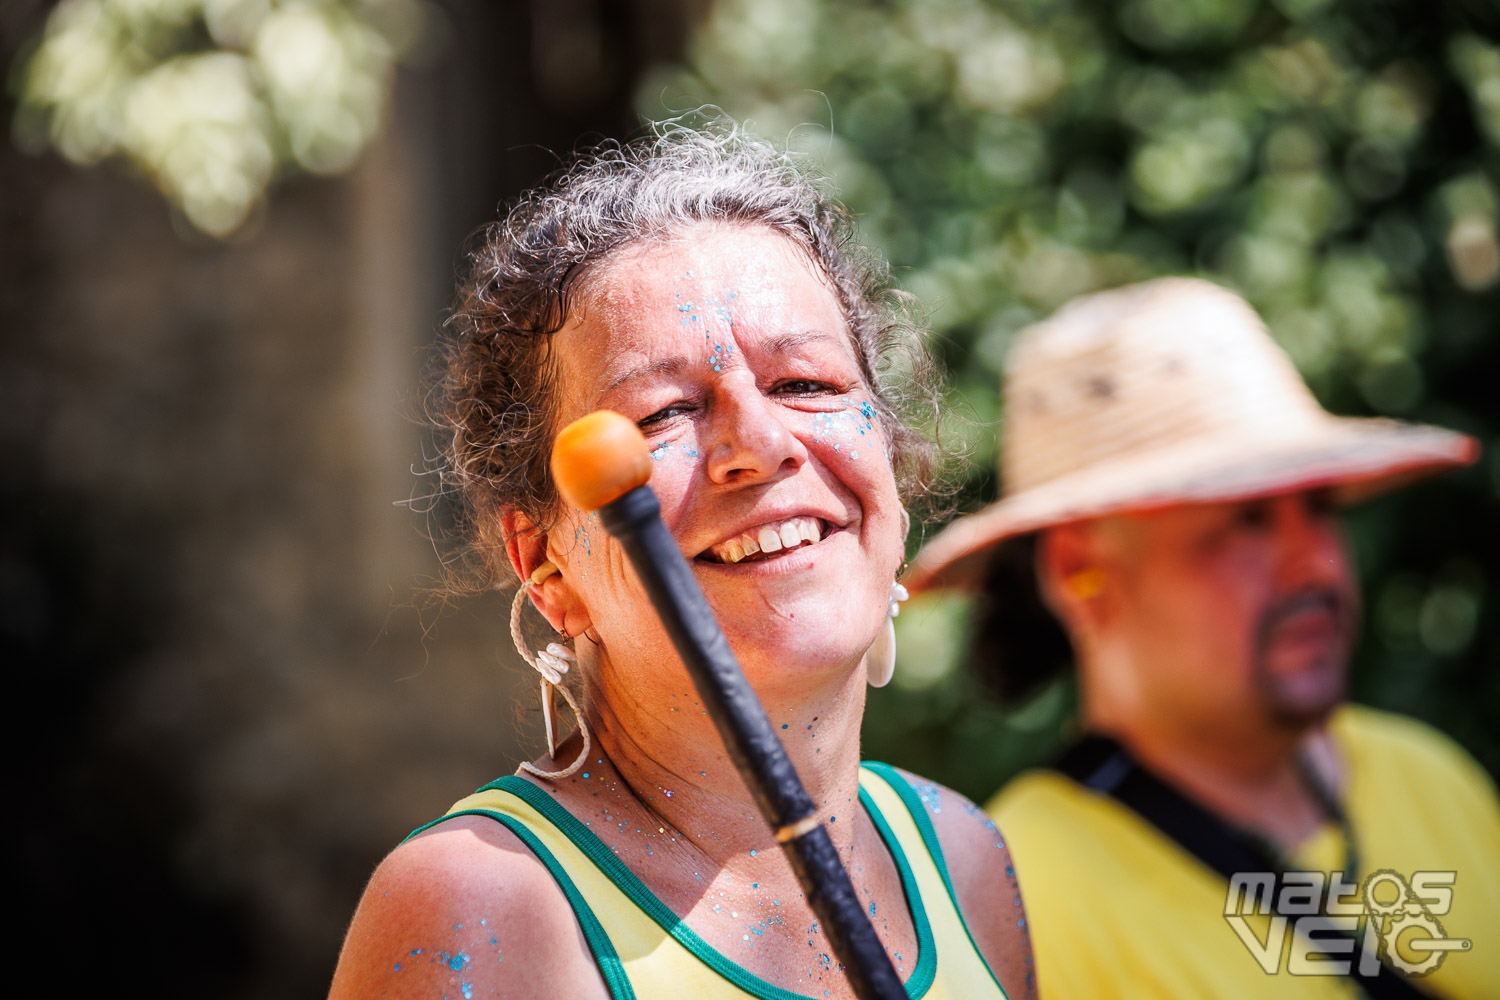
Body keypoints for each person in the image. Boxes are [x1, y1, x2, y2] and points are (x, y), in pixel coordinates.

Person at [326, 123, 1035, 1000]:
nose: (761, 444)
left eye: (806, 384)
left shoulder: (963, 860)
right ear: (545, 565)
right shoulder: (481, 908)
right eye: (663, 413)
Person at [906, 277, 1499, 999]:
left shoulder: (1433, 778)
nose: (1316, 563)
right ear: (1079, 571)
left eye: (1318, 506)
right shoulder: (1018, 899)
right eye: (1247, 520)